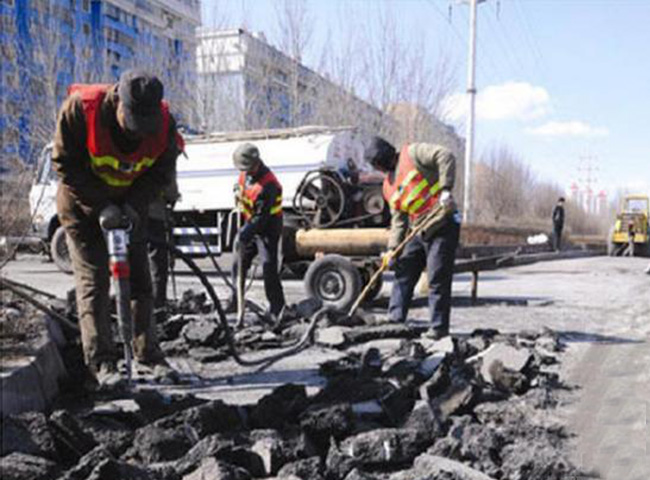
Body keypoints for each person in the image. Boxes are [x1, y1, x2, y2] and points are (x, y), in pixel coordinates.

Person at [52, 70, 184, 388]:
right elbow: (64, 163)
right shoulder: (80, 110)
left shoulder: (164, 124)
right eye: (134, 120)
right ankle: (102, 363)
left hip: (128, 208)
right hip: (82, 209)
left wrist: (130, 206)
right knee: (95, 282)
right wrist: (101, 207)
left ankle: (148, 355)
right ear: (118, 102)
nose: (139, 133)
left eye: (146, 124)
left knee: (140, 282)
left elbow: (161, 173)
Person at [364, 136, 460, 340]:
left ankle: (438, 329)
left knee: (437, 278)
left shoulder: (413, 154)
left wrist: (445, 190)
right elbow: (399, 220)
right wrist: (392, 249)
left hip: (442, 222)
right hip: (419, 229)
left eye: (378, 164)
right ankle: (395, 319)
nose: (379, 169)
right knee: (404, 270)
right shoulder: (387, 187)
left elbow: (446, 155)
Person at [231, 143, 286, 320]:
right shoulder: (245, 174)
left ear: (256, 163)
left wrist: (245, 233)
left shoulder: (268, 185)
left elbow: (261, 218)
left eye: (247, 168)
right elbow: (242, 190)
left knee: (268, 266)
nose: (245, 172)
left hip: (269, 228)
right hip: (252, 222)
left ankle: (278, 308)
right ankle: (235, 300)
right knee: (239, 263)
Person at [148, 176, 180, 325]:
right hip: (154, 215)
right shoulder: (162, 156)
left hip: (130, 215)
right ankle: (157, 307)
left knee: (136, 262)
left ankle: (138, 308)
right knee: (158, 264)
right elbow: (170, 191)